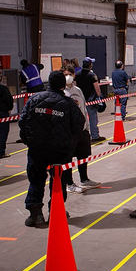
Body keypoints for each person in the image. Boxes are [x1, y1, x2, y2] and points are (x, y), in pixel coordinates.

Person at [20, 71, 85, 227]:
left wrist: (28, 139)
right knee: (58, 182)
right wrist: (68, 140)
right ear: (63, 85)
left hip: (37, 148)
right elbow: (79, 124)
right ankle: (56, 211)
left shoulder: (34, 99)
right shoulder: (68, 103)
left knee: (36, 179)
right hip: (60, 150)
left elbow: (22, 121)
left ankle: (35, 214)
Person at [62, 65, 101, 193]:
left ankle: (84, 179)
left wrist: (87, 127)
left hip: (82, 130)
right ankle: (69, 183)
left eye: (70, 74)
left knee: (83, 156)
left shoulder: (78, 90)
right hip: (69, 131)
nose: (68, 76)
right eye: (65, 74)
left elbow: (84, 109)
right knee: (68, 159)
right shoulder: (61, 92)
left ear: (74, 75)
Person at [75, 57, 105, 142]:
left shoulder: (77, 74)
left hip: (81, 99)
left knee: (81, 119)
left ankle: (81, 137)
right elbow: (97, 88)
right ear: (90, 65)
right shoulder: (92, 75)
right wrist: (100, 97)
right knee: (93, 118)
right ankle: (95, 135)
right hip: (91, 100)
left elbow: (75, 86)